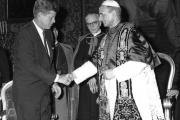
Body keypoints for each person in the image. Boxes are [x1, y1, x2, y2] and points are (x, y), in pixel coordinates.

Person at [89, 0, 165, 120]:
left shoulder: (130, 32)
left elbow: (141, 62)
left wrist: (114, 72)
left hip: (134, 90)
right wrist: (72, 76)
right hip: (110, 92)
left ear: (113, 13)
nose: (99, 18)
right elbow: (95, 62)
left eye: (102, 14)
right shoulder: (105, 38)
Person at [12, 0, 72, 120]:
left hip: (44, 94)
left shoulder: (49, 33)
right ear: (40, 16)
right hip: (28, 97)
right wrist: (57, 78)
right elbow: (30, 65)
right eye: (51, 18)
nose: (54, 21)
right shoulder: (25, 34)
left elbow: (48, 63)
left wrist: (53, 83)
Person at [73, 13, 105, 120]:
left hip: (101, 83)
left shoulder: (108, 39)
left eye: (94, 23)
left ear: (100, 22)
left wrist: (95, 78)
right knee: (85, 113)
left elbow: (107, 62)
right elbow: (77, 61)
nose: (91, 26)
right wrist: (89, 77)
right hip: (86, 84)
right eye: (88, 24)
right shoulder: (82, 40)